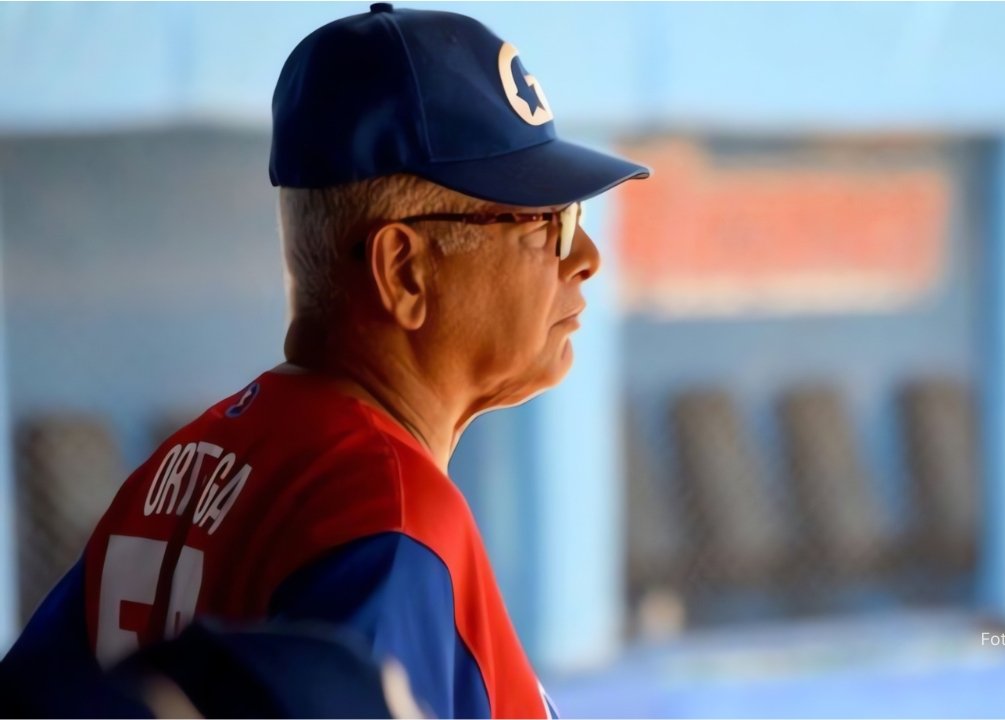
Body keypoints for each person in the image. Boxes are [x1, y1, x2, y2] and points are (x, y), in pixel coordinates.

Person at [0, 4, 649, 717]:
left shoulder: (185, 462)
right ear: (404, 271)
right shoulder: (389, 516)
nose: (586, 259)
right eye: (547, 224)